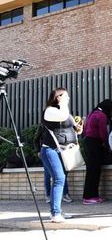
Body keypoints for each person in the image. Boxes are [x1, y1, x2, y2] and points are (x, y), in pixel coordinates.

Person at [39, 88, 82, 223]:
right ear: (58, 97)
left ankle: (57, 211)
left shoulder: (64, 112)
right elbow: (63, 116)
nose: (69, 98)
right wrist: (63, 104)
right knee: (59, 179)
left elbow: (71, 128)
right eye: (66, 96)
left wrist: (78, 129)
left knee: (60, 180)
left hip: (63, 151)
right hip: (51, 150)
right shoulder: (50, 110)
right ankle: (55, 213)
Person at [82, 99, 112, 204]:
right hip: (94, 143)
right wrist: (108, 146)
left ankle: (92, 196)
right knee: (94, 171)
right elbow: (103, 133)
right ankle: (89, 197)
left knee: (91, 170)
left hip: (88, 142)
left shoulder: (92, 113)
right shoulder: (101, 116)